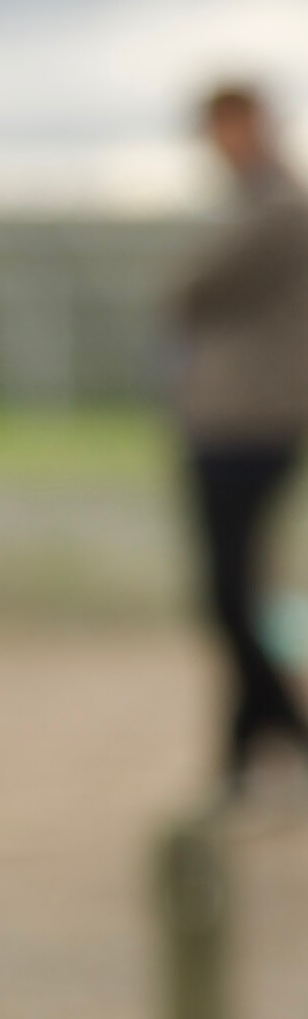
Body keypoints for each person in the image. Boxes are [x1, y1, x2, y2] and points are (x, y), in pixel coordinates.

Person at [167, 80, 308, 800]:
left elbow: (187, 287)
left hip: (247, 426)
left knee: (229, 596)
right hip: (224, 422)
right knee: (233, 596)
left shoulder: (277, 206)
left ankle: (278, 733)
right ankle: (243, 754)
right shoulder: (252, 204)